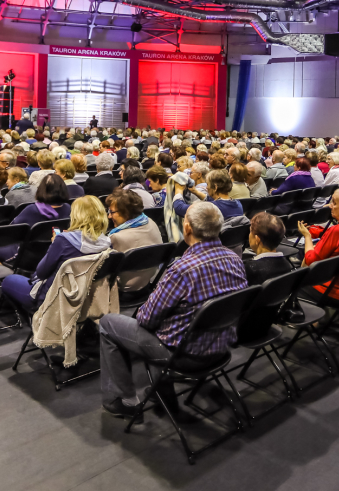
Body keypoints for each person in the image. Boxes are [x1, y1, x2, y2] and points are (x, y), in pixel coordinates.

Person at [98, 201, 248, 420]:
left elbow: (147, 320)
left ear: (187, 228)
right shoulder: (235, 259)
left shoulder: (182, 269)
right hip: (221, 347)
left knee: (108, 323)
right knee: (174, 316)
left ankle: (123, 400)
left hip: (184, 355)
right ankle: (161, 388)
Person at [0, 195, 112, 313]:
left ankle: (35, 319)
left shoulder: (63, 241)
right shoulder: (107, 244)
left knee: (8, 280)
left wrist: (55, 244)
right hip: (85, 298)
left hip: (51, 298)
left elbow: (41, 273)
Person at [295, 187, 339, 304]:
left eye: (334, 202)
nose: (330, 205)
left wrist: (307, 236)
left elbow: (310, 260)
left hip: (334, 292)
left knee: (284, 287)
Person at [0, 175, 72, 263]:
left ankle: (10, 275)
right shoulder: (68, 209)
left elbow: (12, 230)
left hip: (29, 256)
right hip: (56, 253)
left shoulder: (32, 210)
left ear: (41, 190)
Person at [106, 188, 164, 290]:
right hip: (147, 284)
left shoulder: (116, 237)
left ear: (126, 213)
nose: (109, 216)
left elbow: (106, 271)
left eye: (112, 212)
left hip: (123, 291)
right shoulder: (151, 222)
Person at [172, 169, 245, 221]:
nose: (207, 187)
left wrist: (179, 190)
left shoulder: (210, 209)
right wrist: (195, 191)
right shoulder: (238, 204)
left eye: (208, 184)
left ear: (215, 187)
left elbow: (180, 208)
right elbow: (218, 203)